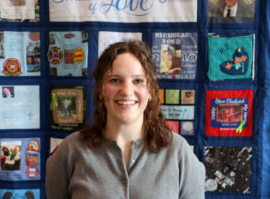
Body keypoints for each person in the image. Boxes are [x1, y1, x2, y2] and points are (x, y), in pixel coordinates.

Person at [45, 40, 205, 198]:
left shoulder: (178, 152)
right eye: (115, 80)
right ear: (101, 88)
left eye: (138, 81)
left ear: (150, 91)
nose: (127, 91)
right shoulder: (71, 150)